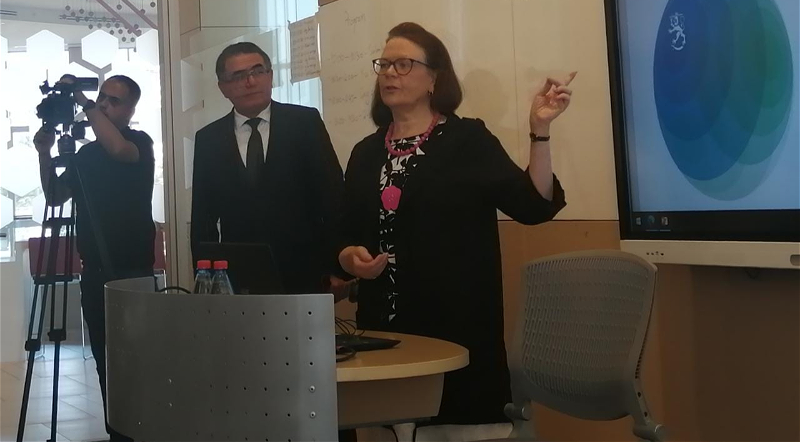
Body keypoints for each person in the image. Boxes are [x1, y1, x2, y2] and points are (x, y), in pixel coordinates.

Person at [338, 22, 574, 437]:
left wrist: (540, 131)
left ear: (434, 78)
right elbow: (344, 237)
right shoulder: (365, 152)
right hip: (382, 337)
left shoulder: (468, 140)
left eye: (403, 64)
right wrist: (349, 259)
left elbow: (533, 206)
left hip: (456, 330)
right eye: (384, 65)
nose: (390, 73)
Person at [34, 74, 155, 442]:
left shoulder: (138, 143)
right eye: (101, 97)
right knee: (105, 361)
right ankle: (117, 432)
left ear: (131, 109)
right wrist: (44, 153)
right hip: (94, 273)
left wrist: (84, 101)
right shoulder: (85, 155)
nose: (103, 104)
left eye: (113, 101)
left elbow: (117, 150)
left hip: (132, 272)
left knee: (137, 362)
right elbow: (56, 196)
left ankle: (145, 430)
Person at [191, 41, 347, 295]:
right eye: (238, 76)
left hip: (305, 271)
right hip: (236, 276)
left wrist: (336, 266)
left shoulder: (304, 123)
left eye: (258, 71)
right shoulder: (209, 139)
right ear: (223, 88)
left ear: (270, 76)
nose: (251, 81)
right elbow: (203, 218)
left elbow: (333, 198)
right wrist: (205, 278)